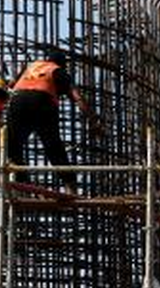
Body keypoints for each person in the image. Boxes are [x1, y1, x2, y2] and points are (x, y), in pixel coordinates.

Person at [6, 51, 98, 195]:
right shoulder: (58, 71)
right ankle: (70, 185)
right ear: (62, 64)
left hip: (17, 100)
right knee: (52, 144)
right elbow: (77, 97)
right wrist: (93, 121)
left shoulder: (32, 67)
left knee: (13, 145)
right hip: (42, 101)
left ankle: (22, 184)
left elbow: (11, 85)